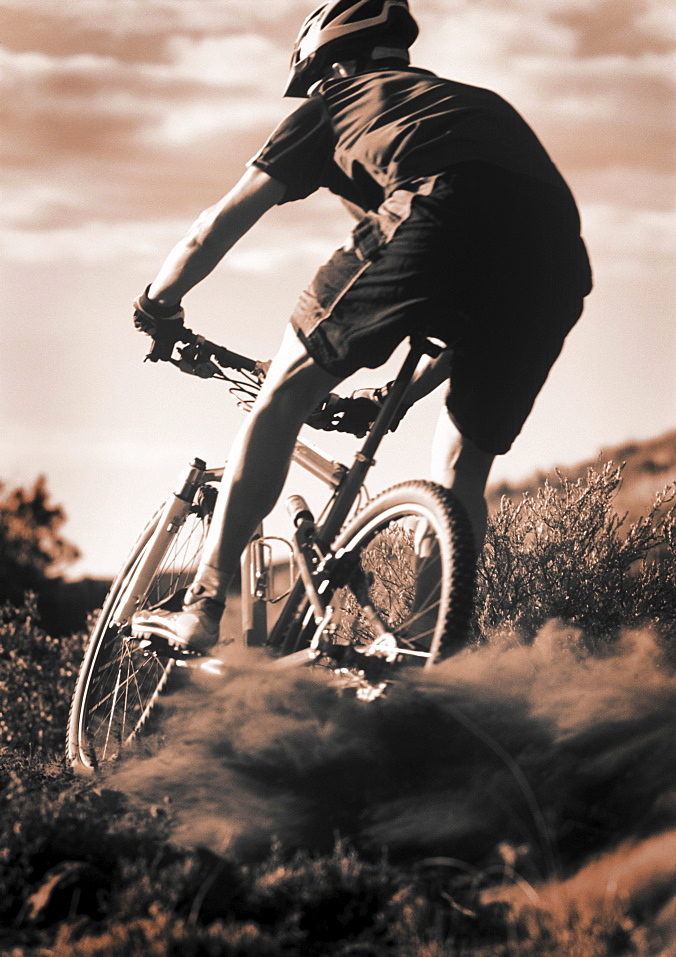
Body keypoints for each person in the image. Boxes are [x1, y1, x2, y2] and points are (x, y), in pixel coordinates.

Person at [132, 0, 592, 654]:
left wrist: (158, 304)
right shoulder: (471, 102)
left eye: (318, 78)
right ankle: (429, 649)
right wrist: (395, 395)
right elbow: (483, 286)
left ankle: (202, 601)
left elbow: (219, 222)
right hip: (556, 260)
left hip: (435, 203)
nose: (318, 92)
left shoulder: (332, 104)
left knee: (283, 395)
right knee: (460, 465)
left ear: (334, 62)